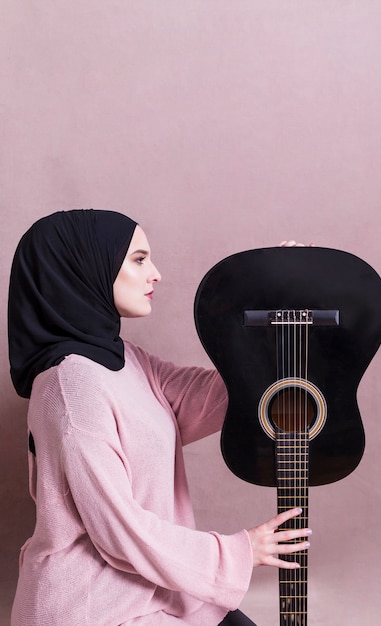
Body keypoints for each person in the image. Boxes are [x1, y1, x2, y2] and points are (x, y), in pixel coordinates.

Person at [7, 209, 312, 625]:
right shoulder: (69, 385)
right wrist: (242, 550)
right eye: (138, 259)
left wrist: (276, 296)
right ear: (86, 268)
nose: (156, 274)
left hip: (155, 592)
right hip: (91, 605)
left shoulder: (127, 362)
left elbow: (225, 395)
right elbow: (120, 532)